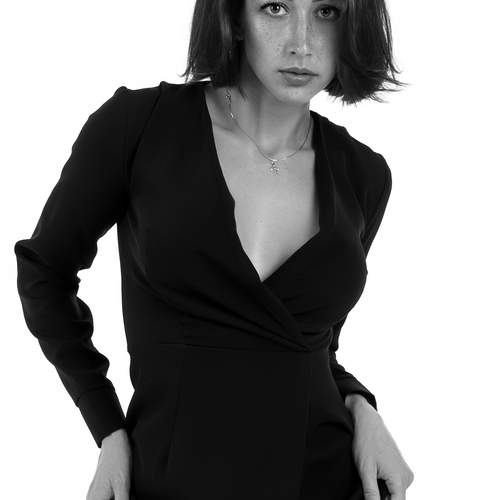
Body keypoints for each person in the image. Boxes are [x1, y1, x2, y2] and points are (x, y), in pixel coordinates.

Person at [13, 0, 414, 499]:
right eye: (275, 8)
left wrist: (361, 406)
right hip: (171, 477)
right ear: (233, 17)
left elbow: (312, 345)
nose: (302, 43)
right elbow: (44, 273)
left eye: (327, 11)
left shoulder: (364, 175)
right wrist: (107, 426)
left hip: (326, 477)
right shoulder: (139, 127)